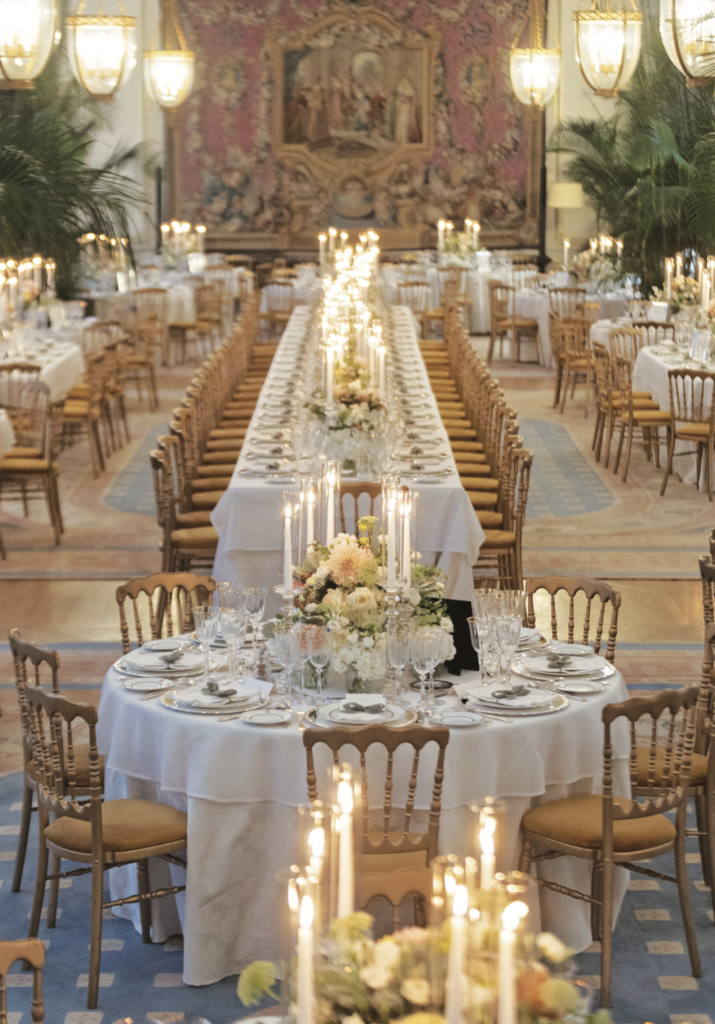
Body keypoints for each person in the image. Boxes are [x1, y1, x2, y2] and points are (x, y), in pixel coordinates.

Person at [393, 74, 421, 144]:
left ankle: (405, 138)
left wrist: (406, 99)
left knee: (406, 122)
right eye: (403, 81)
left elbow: (412, 98)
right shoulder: (401, 88)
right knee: (401, 121)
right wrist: (401, 100)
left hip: (408, 108)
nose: (404, 82)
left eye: (405, 81)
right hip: (403, 107)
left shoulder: (410, 89)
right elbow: (400, 96)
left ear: (408, 81)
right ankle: (400, 138)